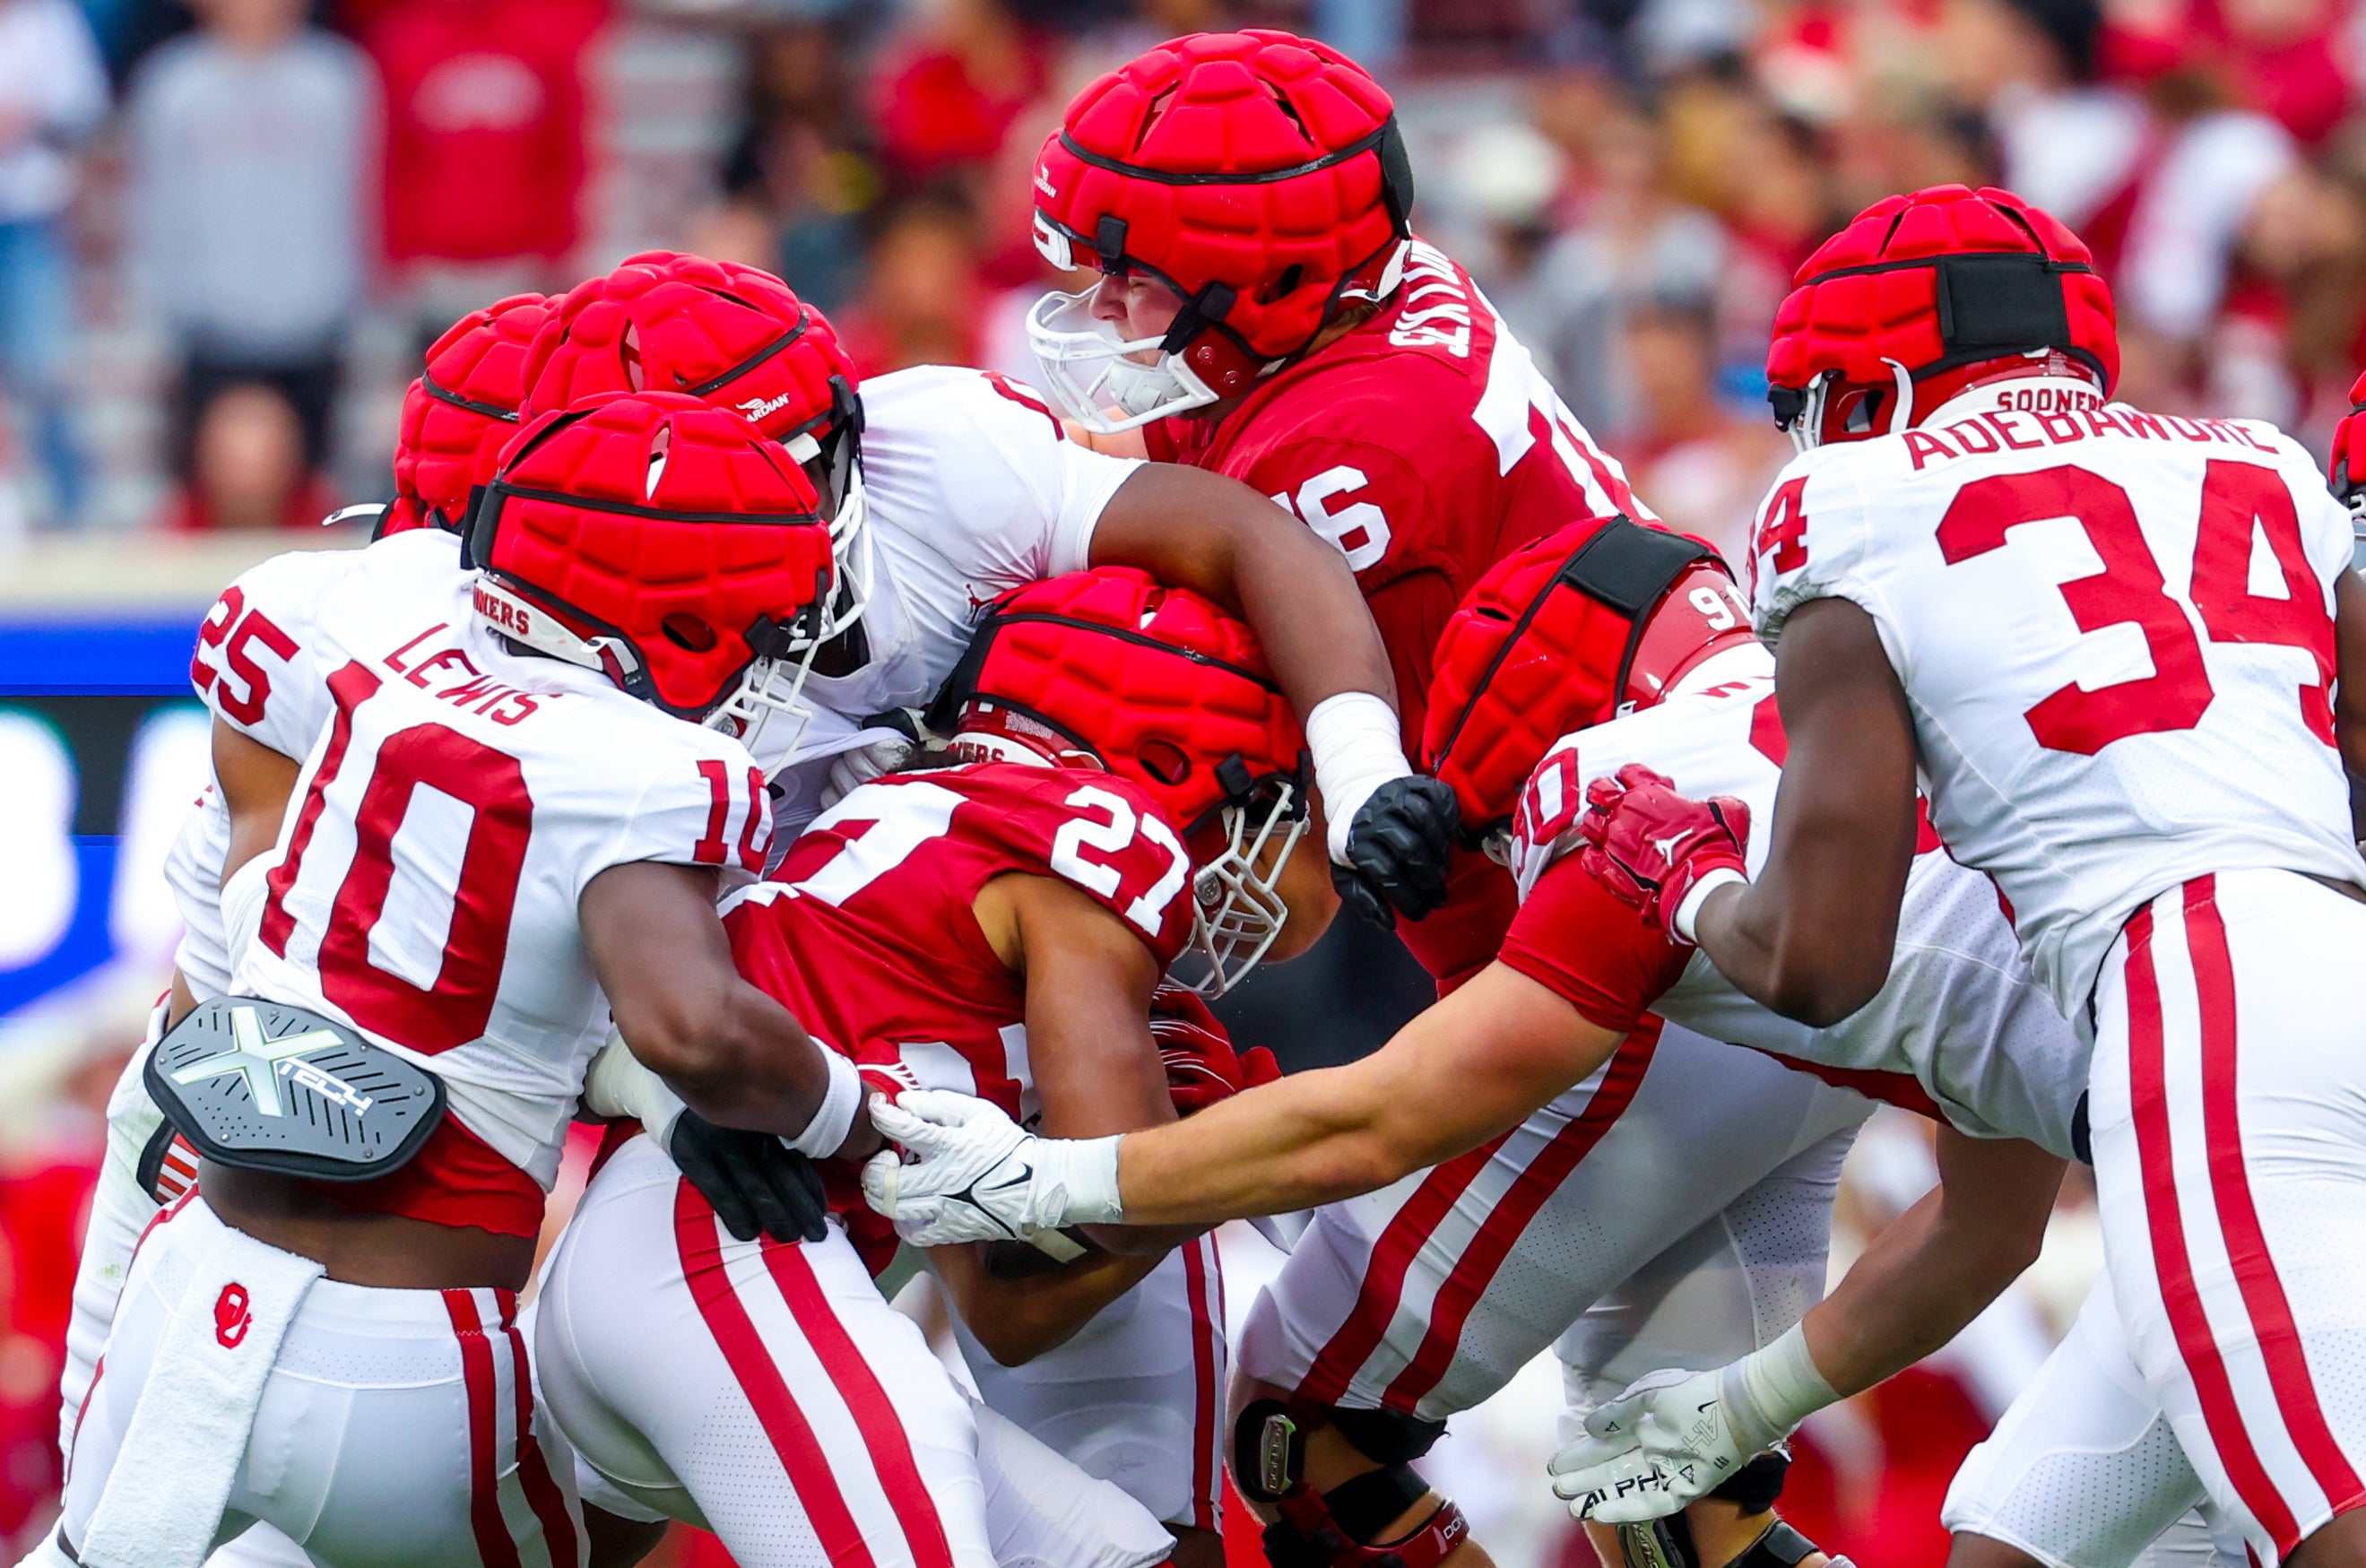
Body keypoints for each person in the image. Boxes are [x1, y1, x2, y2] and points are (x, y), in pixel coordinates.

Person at [854, 521, 2099, 1568]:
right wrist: (1746, 1404)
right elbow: (1985, 1224)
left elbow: (1381, 1119)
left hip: (2180, 1147)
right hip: (2179, 1122)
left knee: (1301, 1422)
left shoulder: (1622, 786)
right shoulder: (1917, 737)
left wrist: (1056, 1177)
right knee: (1676, 1486)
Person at [1551, 183, 2366, 1568]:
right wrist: (1741, 1404)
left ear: (1869, 387)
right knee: (2014, 1541)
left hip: (2204, 999)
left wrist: (1678, 882)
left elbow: (1820, 956)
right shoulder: (2260, 460)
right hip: (2294, 975)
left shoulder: (1845, 499)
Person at [44, 392, 851, 1568]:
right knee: (600, 1531)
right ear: (668, 615)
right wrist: (852, 1111)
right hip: (406, 1349)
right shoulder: (659, 764)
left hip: (193, 1268)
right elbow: (688, 1023)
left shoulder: (374, 631)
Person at [533, 568, 1335, 1568]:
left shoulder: (912, 825)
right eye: (1264, 795)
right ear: (1166, 758)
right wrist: (1225, 1151)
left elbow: (1010, 1308)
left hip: (679, 1269)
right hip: (726, 1258)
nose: (1266, 835)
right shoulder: (1097, 839)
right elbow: (1120, 1188)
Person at [520, 249, 1434, 931]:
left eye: (788, 478)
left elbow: (1246, 536)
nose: (764, 524)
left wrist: (1358, 768)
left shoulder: (938, 455)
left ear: (847, 428)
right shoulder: (550, 647)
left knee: (1151, 674)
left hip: (1017, 902)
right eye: (709, 507)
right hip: (765, 967)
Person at [1020, 27, 1662, 978]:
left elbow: (1295, 892)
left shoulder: (1349, 460)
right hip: (1636, 830)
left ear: (1265, 276)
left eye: (1134, 274)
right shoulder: (1350, 302)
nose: (1103, 302)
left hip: (1616, 906)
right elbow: (1111, 471)